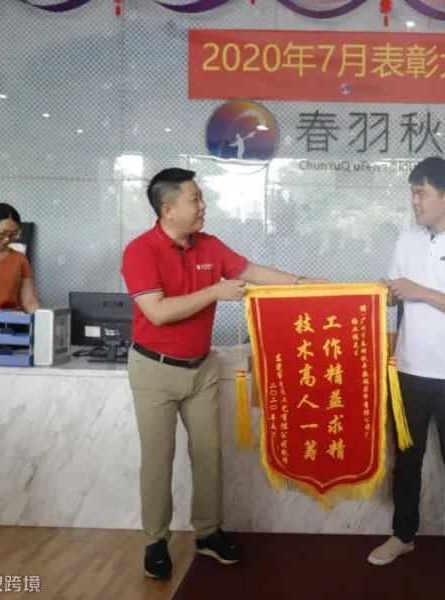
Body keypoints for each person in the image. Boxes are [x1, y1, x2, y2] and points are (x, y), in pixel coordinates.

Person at [121, 167, 326, 580]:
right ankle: (155, 541)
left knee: (209, 454)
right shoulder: (141, 251)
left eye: (201, 198)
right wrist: (215, 291)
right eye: (195, 199)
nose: (203, 206)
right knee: (158, 459)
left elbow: (251, 271)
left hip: (202, 368)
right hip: (155, 370)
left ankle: (208, 533)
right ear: (168, 209)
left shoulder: (210, 246)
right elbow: (157, 312)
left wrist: (304, 283)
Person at [368, 157, 445, 581]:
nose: (415, 201)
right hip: (408, 371)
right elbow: (394, 294)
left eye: (421, 193)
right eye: (413, 193)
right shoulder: (406, 240)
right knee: (407, 459)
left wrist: (421, 291)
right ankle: (402, 535)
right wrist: (373, 294)